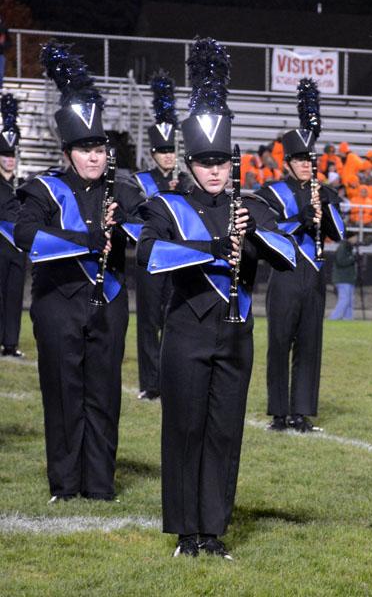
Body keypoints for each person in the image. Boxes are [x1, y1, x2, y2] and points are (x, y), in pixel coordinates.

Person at [136, 38, 297, 559]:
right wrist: (213, 246)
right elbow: (148, 254)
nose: (213, 171)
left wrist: (252, 235)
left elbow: (290, 254)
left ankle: (214, 530)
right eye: (204, 163)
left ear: (232, 163)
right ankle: (186, 532)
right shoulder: (167, 205)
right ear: (189, 162)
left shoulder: (251, 204)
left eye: (220, 163)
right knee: (185, 429)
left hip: (235, 334)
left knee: (225, 433)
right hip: (185, 331)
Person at [15, 42, 129, 501]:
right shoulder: (43, 189)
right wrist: (86, 239)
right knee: (63, 395)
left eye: (99, 147)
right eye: (84, 149)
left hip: (109, 303)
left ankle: (100, 484)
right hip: (58, 303)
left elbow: (150, 231)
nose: (94, 157)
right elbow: (26, 236)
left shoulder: (123, 188)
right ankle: (65, 484)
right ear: (68, 153)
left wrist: (128, 224)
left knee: (104, 394)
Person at [256, 78, 344, 433]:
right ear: (288, 162)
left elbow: (338, 232)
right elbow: (265, 231)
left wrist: (323, 211)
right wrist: (298, 220)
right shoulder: (272, 192)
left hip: (315, 274)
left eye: (311, 159)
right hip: (285, 272)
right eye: (300, 159)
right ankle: (279, 411)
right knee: (279, 341)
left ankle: (301, 411)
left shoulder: (325, 191)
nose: (306, 165)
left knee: (310, 343)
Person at [117, 72, 187, 401]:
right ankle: (150, 383)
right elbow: (132, 216)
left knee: (173, 320)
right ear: (153, 154)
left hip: (177, 259)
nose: (168, 156)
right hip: (149, 261)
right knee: (148, 322)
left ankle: (171, 377)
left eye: (171, 150)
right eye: (162, 151)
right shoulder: (140, 181)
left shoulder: (186, 181)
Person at [0, 93, 25, 357]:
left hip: (17, 250)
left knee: (15, 298)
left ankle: (10, 344)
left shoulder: (22, 184)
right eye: (5, 155)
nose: (9, 159)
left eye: (12, 155)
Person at [329, 233, 357, 320]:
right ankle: (333, 317)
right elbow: (341, 261)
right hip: (342, 279)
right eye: (354, 237)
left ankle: (348, 318)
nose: (356, 239)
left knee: (349, 300)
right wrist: (352, 258)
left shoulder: (349, 247)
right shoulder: (343, 247)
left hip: (348, 279)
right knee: (344, 299)